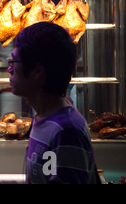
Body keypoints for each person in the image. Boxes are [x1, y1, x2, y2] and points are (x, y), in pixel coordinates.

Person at [8, 22, 100, 184]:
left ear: (37, 71)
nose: (9, 69)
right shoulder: (44, 119)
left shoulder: (67, 131)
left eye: (14, 61)